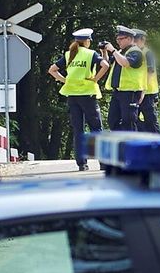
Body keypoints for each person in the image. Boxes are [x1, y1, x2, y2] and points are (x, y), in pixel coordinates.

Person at [47, 28, 109, 171]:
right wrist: (96, 79)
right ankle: (103, 162)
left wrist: (65, 81)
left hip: (72, 96)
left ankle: (82, 163)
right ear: (87, 41)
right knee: (96, 129)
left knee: (78, 130)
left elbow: (52, 70)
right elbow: (105, 65)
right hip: (88, 95)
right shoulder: (90, 54)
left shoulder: (68, 54)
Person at [102, 26, 145, 131]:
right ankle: (119, 140)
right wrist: (104, 52)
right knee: (112, 120)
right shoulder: (120, 52)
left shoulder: (136, 52)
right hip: (118, 91)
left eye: (120, 39)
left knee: (128, 121)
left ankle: (131, 141)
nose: (118, 42)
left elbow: (125, 63)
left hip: (130, 92)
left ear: (129, 39)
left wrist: (113, 50)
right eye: (117, 39)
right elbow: (107, 63)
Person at [133, 29, 160, 133]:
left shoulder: (148, 53)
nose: (134, 42)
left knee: (151, 120)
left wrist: (144, 91)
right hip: (137, 90)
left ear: (143, 39)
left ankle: (157, 140)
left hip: (148, 92)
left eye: (136, 39)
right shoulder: (133, 52)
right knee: (134, 119)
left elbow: (150, 71)